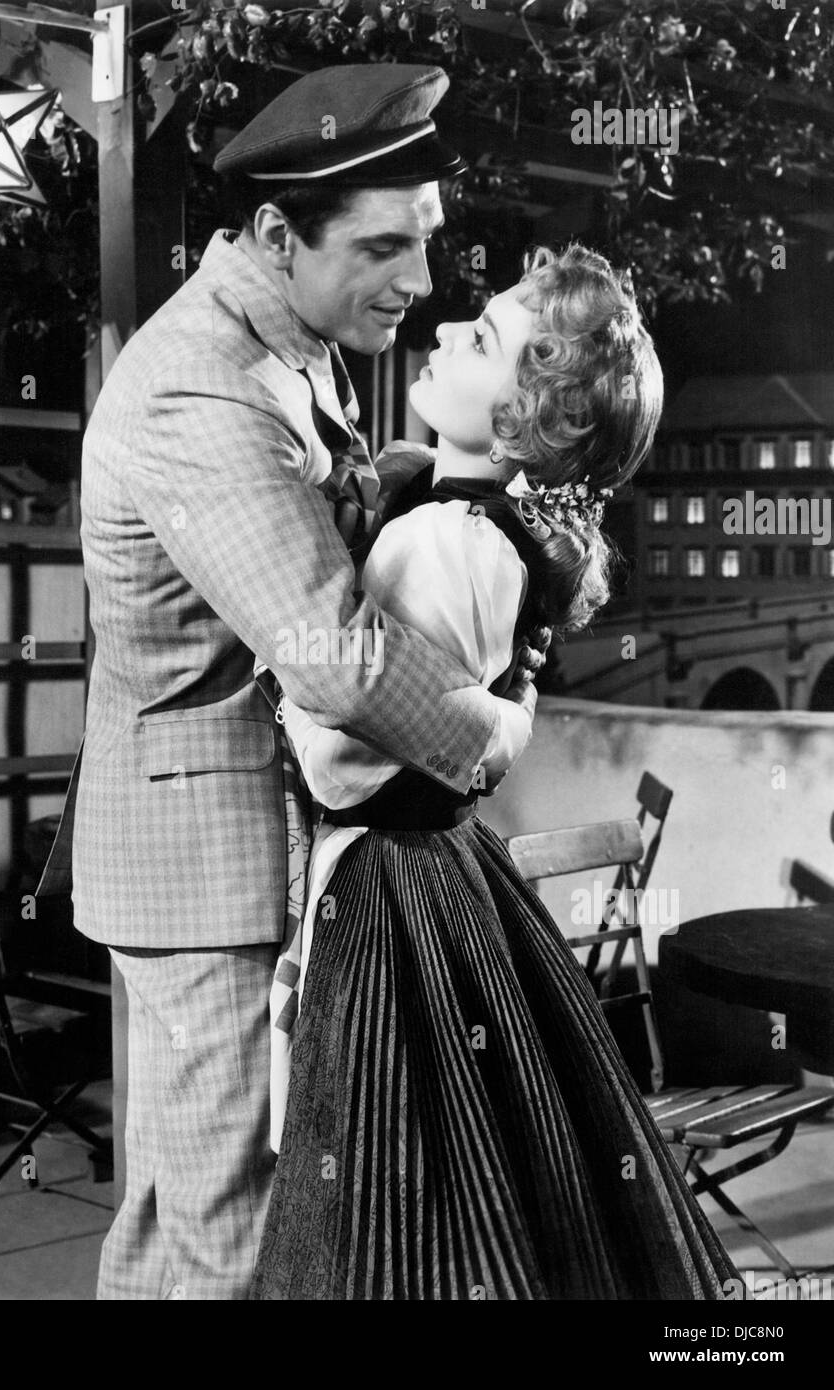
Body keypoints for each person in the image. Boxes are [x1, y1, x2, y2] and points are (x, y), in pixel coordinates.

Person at [54, 63, 547, 1300]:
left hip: (222, 849)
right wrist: (491, 734)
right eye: (384, 246)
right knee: (238, 1232)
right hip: (205, 867)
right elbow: (330, 649)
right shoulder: (200, 381)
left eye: (427, 243)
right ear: (280, 234)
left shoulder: (284, 335)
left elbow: (284, 534)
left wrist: (388, 486)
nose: (421, 282)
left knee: (175, 1215)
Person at [251, 243, 742, 1300]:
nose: (440, 332)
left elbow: (342, 763)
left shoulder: (438, 540)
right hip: (446, 872)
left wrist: (278, 671)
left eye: (480, 340)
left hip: (386, 889)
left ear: (529, 416)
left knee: (382, 1191)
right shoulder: (480, 528)